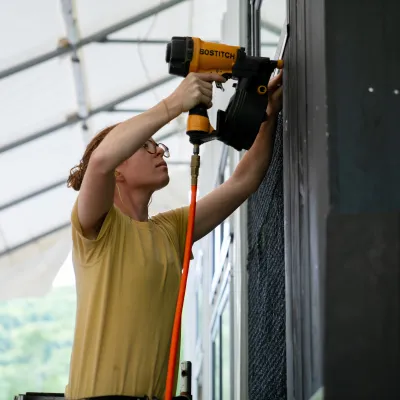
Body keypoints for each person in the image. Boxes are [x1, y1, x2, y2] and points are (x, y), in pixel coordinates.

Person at [65, 70, 283, 400]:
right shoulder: (97, 226)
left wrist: (268, 116)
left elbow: (244, 181)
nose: (159, 152)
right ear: (117, 172)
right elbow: (99, 162)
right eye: (144, 146)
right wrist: (174, 105)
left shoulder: (170, 230)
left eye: (158, 145)